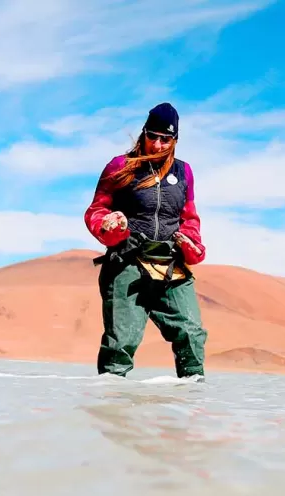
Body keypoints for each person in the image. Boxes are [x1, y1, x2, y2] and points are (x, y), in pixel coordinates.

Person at [83, 102, 208, 380]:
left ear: (175, 141)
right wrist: (109, 223)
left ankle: (192, 405)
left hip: (169, 262)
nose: (159, 145)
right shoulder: (120, 166)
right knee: (121, 340)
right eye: (153, 136)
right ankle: (112, 409)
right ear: (144, 134)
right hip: (128, 260)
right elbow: (96, 210)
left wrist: (192, 243)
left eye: (166, 139)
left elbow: (190, 219)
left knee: (191, 333)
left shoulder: (183, 172)